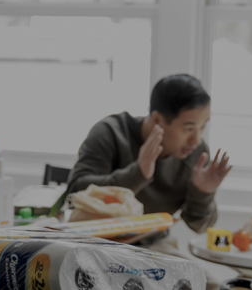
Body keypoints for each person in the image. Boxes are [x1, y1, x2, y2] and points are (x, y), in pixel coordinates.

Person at [66, 74, 234, 290]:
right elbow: (75, 192)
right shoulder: (112, 132)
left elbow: (200, 226)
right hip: (101, 248)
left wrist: (202, 192)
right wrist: (138, 173)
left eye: (203, 127)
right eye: (189, 128)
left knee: (219, 287)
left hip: (157, 248)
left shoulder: (196, 153)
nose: (197, 139)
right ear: (157, 120)